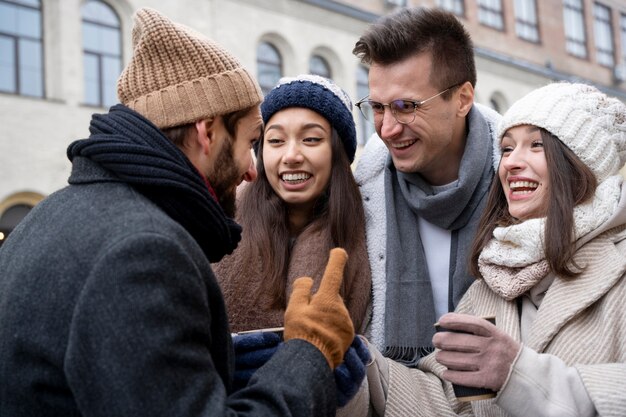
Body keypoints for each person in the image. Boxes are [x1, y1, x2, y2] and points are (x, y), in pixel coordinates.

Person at [0, 8, 355, 417]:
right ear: (207, 132)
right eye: (253, 141)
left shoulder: (50, 215)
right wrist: (310, 352)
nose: (252, 170)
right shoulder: (142, 253)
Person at [361, 82, 626, 417]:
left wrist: (518, 375)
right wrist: (358, 366)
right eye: (506, 148)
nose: (512, 162)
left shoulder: (620, 266)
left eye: (536, 145)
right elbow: (446, 401)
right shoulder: (492, 283)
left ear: (580, 164)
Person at [352, 6, 501, 365]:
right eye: (376, 107)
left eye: (405, 106)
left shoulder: (522, 186)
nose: (386, 128)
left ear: (463, 99)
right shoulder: (361, 194)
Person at [214, 74, 371, 335]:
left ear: (337, 152)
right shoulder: (223, 221)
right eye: (275, 141)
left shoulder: (365, 231)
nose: (291, 156)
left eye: (311, 139)